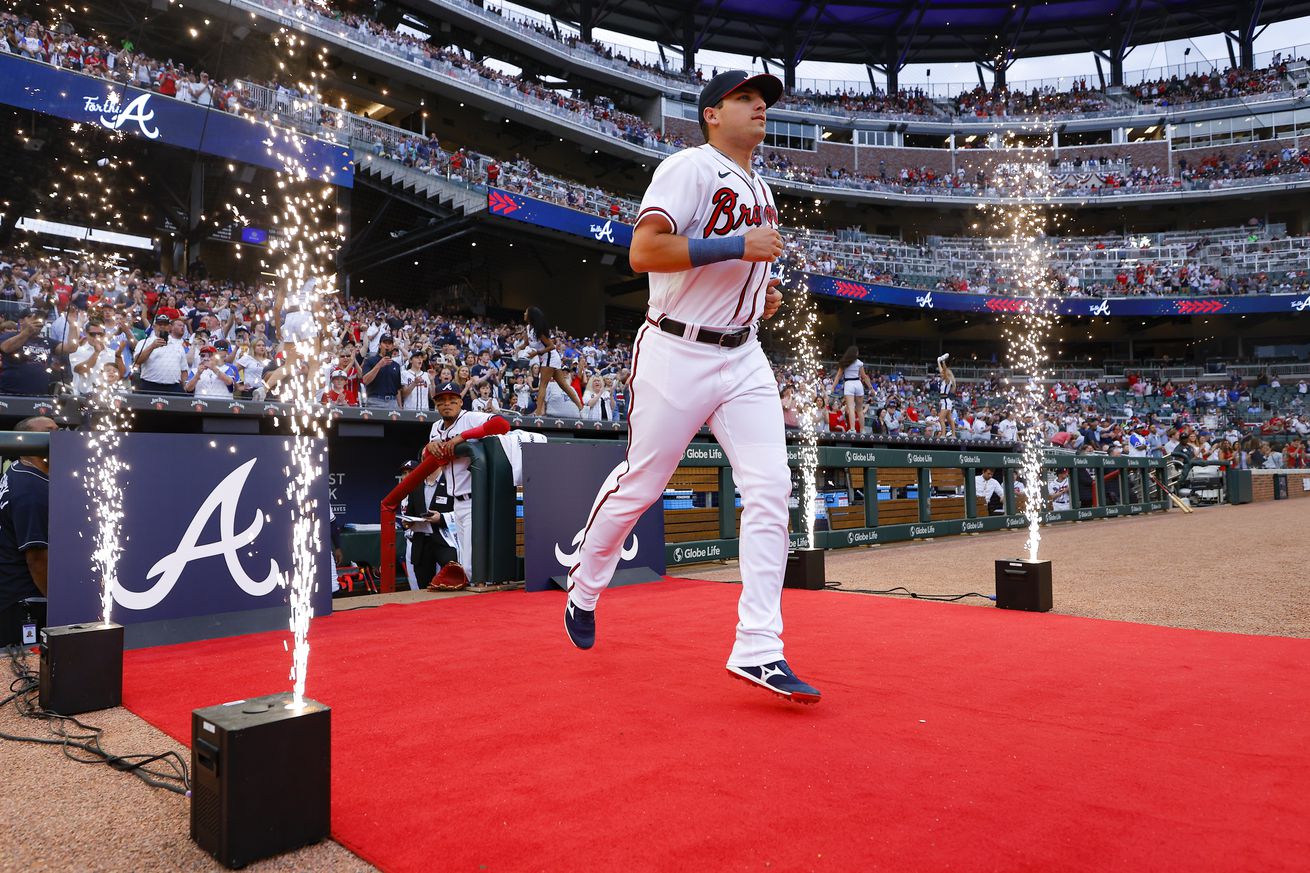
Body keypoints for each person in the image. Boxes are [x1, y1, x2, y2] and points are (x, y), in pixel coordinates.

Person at [563, 70, 820, 704]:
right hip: (676, 349)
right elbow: (644, 253)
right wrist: (738, 245)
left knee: (770, 491)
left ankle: (759, 647)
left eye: (764, 101)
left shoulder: (759, 184)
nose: (760, 107)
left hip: (743, 356)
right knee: (643, 483)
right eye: (745, 99)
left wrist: (760, 294)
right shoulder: (689, 167)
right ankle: (586, 583)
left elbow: (734, 265)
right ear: (711, 114)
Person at [422, 381, 511, 583]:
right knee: (464, 559)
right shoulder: (436, 427)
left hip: (476, 499)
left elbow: (502, 425)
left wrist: (462, 437)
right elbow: (426, 457)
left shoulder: (470, 417)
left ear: (460, 402)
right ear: (436, 405)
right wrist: (430, 446)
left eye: (452, 400)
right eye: (441, 401)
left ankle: (475, 604)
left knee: (471, 565)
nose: (447, 404)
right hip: (456, 503)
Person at [0, 417, 57, 645]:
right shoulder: (32, 488)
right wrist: (60, 607)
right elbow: (37, 559)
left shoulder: (16, 471)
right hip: (26, 601)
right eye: (49, 432)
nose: (58, 436)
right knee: (31, 675)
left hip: (12, 595)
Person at [0, 306, 81, 395]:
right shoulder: (9, 336)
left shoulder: (47, 341)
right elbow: (5, 348)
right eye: (32, 317)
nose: (37, 320)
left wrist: (73, 324)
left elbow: (71, 347)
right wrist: (26, 332)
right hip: (10, 394)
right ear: (21, 321)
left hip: (40, 395)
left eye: (40, 318)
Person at [522, 306, 582, 414]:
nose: (524, 314)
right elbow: (526, 343)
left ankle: (538, 413)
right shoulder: (528, 328)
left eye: (526, 312)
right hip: (546, 357)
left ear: (531, 316)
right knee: (563, 385)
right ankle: (582, 409)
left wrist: (536, 353)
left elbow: (551, 346)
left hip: (550, 356)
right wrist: (518, 349)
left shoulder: (538, 331)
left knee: (543, 385)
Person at [134, 314, 189, 394]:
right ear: (154, 326)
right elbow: (137, 361)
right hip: (149, 385)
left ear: (169, 327)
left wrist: (184, 387)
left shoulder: (178, 345)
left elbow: (184, 370)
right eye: (160, 324)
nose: (162, 327)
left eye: (165, 325)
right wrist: (152, 346)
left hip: (173, 387)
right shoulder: (144, 342)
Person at [831, 345, 872, 433]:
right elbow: (864, 377)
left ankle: (852, 429)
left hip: (849, 384)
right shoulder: (859, 363)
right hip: (858, 384)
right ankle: (862, 429)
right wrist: (871, 389)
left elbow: (838, 376)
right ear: (856, 353)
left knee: (851, 408)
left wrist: (833, 387)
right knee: (859, 409)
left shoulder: (844, 362)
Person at [362, 334, 402, 409]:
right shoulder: (370, 361)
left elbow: (397, 389)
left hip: (393, 402)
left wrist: (400, 406)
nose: (387, 345)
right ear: (379, 345)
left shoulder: (396, 365)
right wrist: (379, 364)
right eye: (385, 343)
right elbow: (365, 380)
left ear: (392, 347)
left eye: (389, 343)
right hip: (375, 401)